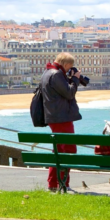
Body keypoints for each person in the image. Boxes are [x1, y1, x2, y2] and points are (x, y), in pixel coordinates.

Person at [39, 52, 83, 192]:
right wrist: (75, 79)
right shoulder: (56, 74)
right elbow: (69, 93)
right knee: (67, 151)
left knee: (58, 150)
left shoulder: (47, 72)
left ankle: (54, 184)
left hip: (54, 116)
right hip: (61, 117)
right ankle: (63, 183)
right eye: (70, 66)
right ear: (66, 64)